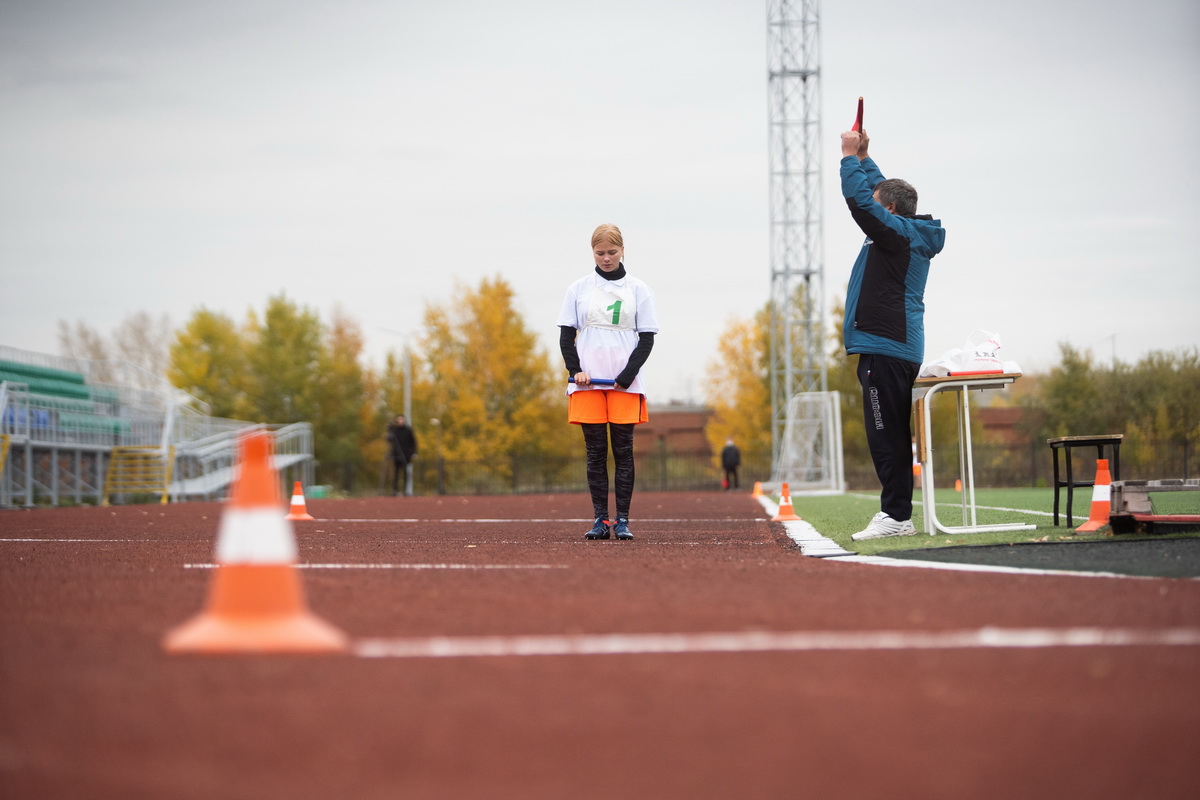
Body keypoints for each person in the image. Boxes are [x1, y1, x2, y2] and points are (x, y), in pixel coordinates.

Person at [839, 128, 945, 541]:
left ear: (893, 211)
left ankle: (896, 516)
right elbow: (875, 193)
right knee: (890, 433)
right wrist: (865, 159)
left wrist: (847, 157)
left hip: (887, 346)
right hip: (888, 346)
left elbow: (863, 204)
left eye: (883, 208)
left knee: (886, 435)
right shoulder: (903, 231)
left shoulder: (898, 235)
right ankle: (897, 514)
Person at [557, 223, 659, 540]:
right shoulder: (579, 289)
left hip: (623, 385)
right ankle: (601, 520)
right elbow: (565, 336)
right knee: (595, 453)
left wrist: (627, 375)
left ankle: (623, 520)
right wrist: (575, 372)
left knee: (624, 453)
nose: (605, 258)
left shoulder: (639, 290)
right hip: (589, 384)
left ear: (623, 250)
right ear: (593, 253)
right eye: (600, 253)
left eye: (611, 252)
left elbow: (646, 339)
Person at [387, 414, 417, 496]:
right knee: (396, 473)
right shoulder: (394, 430)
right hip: (396, 454)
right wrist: (389, 431)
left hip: (406, 455)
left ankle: (405, 491)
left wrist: (413, 452)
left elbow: (413, 442)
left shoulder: (408, 430)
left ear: (404, 420)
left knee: (405, 473)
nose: (400, 421)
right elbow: (390, 440)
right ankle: (395, 490)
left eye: (401, 419)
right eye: (399, 420)